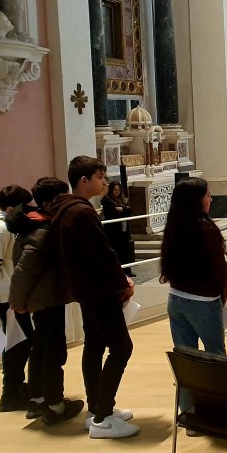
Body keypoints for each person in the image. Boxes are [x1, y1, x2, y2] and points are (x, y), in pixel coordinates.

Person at [53, 156, 137, 437]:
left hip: (86, 290)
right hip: (99, 290)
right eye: (100, 177)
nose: (105, 183)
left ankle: (96, 408)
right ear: (83, 180)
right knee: (121, 348)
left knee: (94, 346)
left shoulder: (66, 209)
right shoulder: (81, 212)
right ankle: (103, 418)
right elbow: (103, 254)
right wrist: (122, 282)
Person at [6, 178, 75, 422]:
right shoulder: (42, 230)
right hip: (47, 299)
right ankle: (55, 405)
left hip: (43, 298)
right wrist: (17, 302)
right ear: (48, 203)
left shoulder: (36, 224)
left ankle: (37, 400)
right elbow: (25, 271)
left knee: (41, 349)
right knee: (53, 352)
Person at [160, 177, 227, 418]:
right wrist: (221, 294)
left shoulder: (174, 227)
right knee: (215, 356)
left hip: (176, 298)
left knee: (185, 358)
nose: (211, 199)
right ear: (196, 200)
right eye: (208, 195)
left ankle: (189, 413)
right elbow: (218, 267)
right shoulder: (206, 229)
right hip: (203, 302)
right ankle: (218, 410)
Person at [0, 184, 34, 412]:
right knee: (18, 344)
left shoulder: (4, 226)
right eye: (23, 206)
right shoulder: (1, 229)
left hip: (12, 293)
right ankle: (10, 393)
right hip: (7, 296)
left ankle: (15, 387)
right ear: (10, 208)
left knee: (20, 343)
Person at [100, 182, 134, 271]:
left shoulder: (122, 199)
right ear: (111, 190)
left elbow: (129, 210)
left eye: (118, 190)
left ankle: (127, 270)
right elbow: (112, 212)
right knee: (116, 250)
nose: (117, 192)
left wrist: (122, 209)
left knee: (125, 250)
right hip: (113, 230)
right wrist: (123, 210)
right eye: (115, 190)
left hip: (124, 229)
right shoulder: (107, 199)